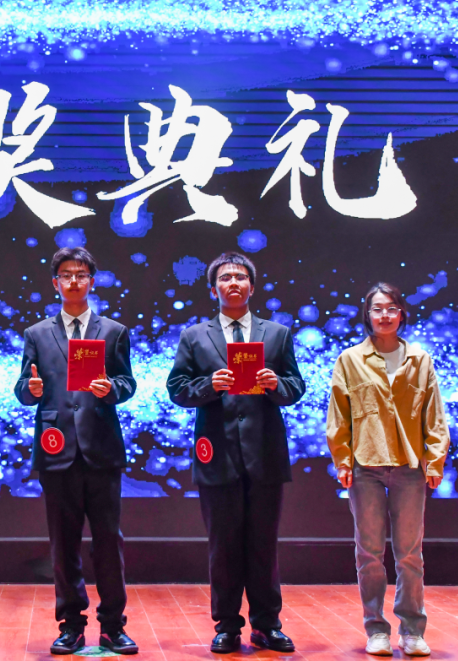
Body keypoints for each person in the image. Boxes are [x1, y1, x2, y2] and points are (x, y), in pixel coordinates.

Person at [166, 252, 305, 654]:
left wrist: (275, 384)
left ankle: (266, 624)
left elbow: (296, 387)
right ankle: (226, 625)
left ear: (252, 287)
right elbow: (177, 389)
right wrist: (209, 385)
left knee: (263, 544)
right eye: (225, 278)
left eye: (240, 277)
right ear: (214, 289)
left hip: (265, 453)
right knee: (223, 545)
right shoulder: (195, 336)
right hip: (217, 454)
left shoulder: (276, 334)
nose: (233, 283)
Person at [14, 247, 139, 655]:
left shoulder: (113, 331)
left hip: (101, 449)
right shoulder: (37, 333)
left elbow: (128, 383)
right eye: (66, 275)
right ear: (55, 283)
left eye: (81, 274)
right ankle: (70, 624)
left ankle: (113, 626)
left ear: (92, 281)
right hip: (57, 450)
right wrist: (30, 390)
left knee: (109, 543)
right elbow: (23, 388)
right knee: (63, 544)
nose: (73, 281)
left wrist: (112, 388)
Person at [326, 283, 450, 657]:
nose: (385, 315)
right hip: (365, 467)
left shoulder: (419, 359)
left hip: (410, 467)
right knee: (369, 553)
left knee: (410, 554)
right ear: (368, 315)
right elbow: (339, 414)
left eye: (391, 308)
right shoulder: (350, 359)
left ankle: (412, 630)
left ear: (401, 313)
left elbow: (434, 413)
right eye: (377, 309)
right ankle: (376, 628)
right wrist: (342, 460)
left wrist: (435, 458)